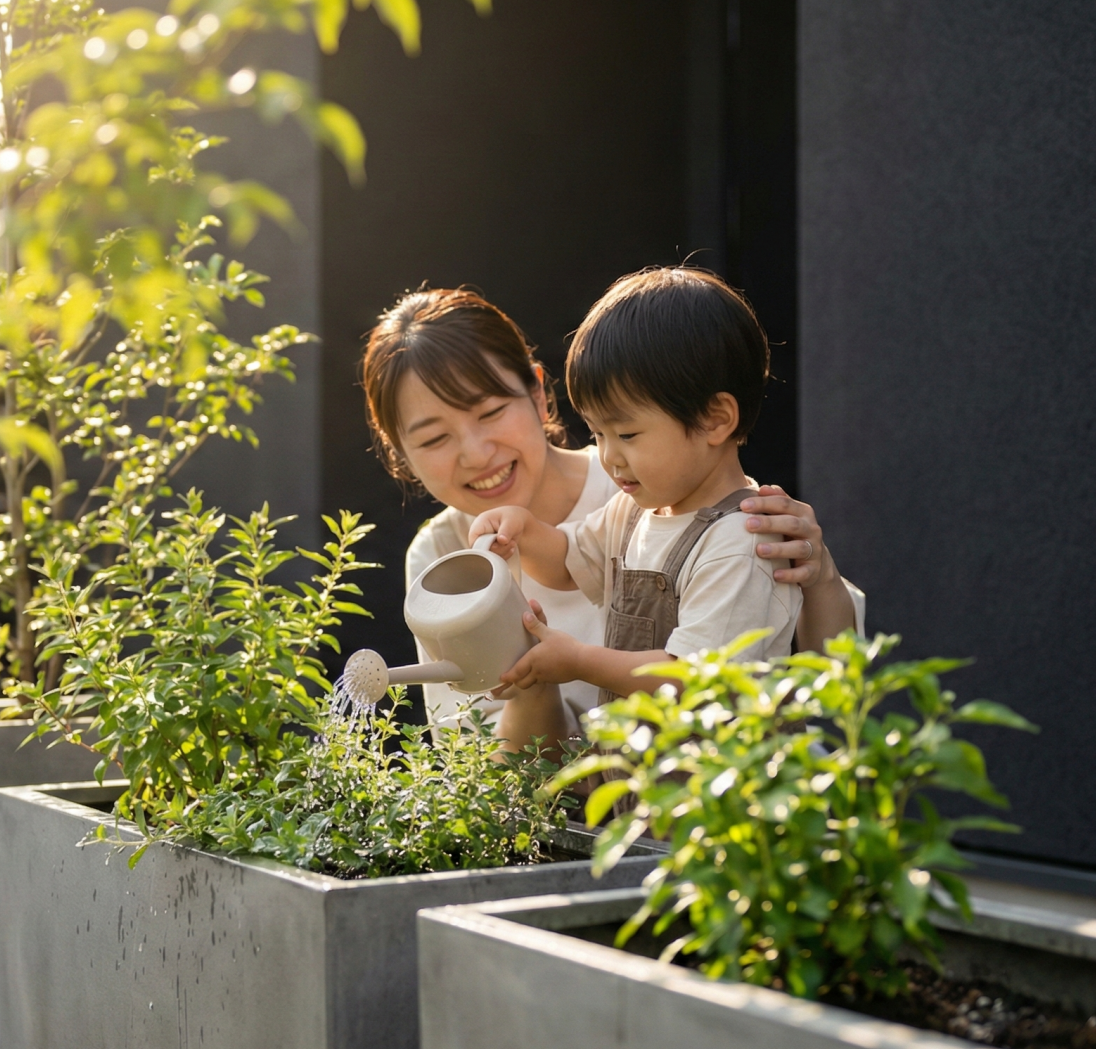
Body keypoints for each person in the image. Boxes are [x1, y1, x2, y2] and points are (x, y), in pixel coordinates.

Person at [359, 286, 861, 752]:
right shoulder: (633, 499)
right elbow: (568, 560)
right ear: (398, 454)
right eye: (434, 439)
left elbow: (830, 670)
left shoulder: (705, 513)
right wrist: (527, 531)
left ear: (537, 392)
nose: (475, 453)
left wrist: (821, 574)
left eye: (489, 412)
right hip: (628, 800)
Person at [468, 267, 800, 702]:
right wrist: (524, 532)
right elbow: (569, 562)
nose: (609, 456)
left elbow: (693, 677)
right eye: (597, 434)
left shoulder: (742, 540)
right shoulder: (636, 511)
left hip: (713, 769)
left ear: (715, 419)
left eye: (627, 435)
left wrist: (580, 661)